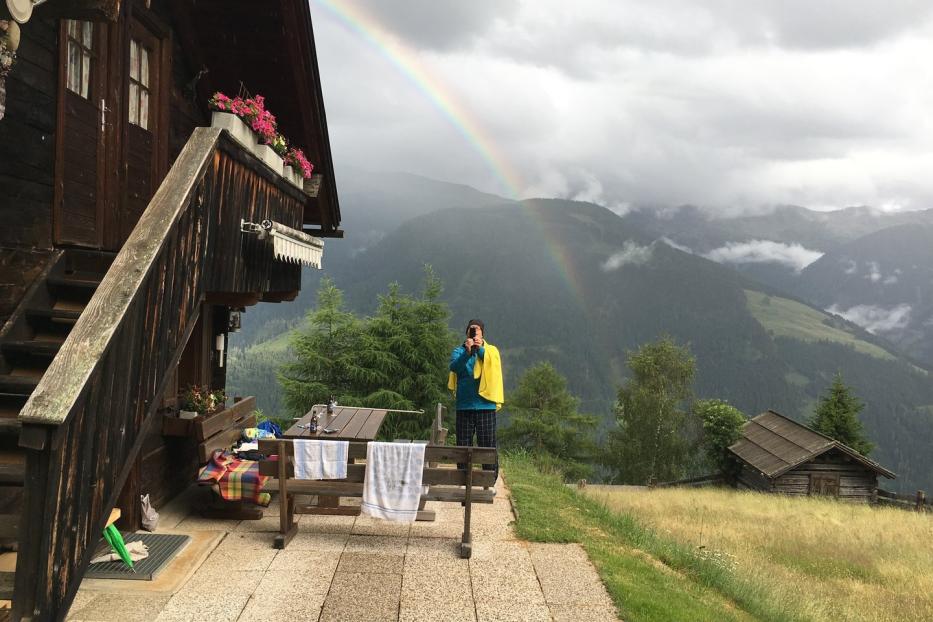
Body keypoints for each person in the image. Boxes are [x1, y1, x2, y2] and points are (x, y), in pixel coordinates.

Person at [447, 319, 504, 489]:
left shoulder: (491, 351)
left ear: (482, 334)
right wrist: (467, 351)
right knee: (463, 444)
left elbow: (492, 365)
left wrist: (479, 350)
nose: (474, 333)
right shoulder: (459, 351)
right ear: (467, 334)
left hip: (485, 405)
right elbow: (454, 367)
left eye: (477, 331)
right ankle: (463, 481)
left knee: (487, 444)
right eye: (471, 331)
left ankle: (488, 481)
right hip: (464, 405)